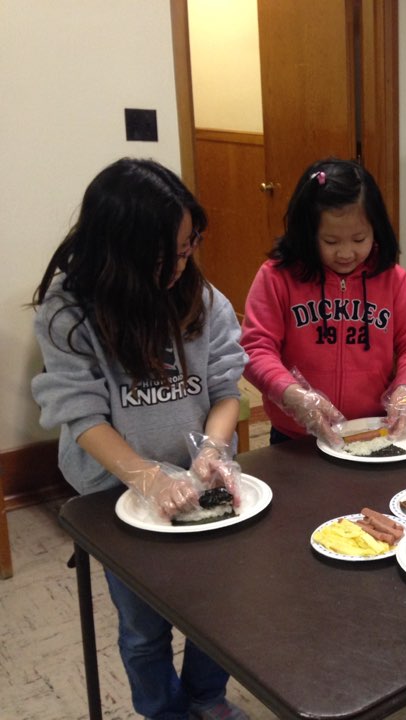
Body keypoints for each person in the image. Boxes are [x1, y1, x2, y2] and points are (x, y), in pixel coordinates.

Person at [31, 159, 249, 720]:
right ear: (120, 252)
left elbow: (227, 390)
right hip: (115, 493)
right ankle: (164, 713)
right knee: (143, 628)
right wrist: (148, 478)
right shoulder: (70, 311)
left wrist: (212, 449)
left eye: (188, 247)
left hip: (202, 482)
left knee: (217, 608)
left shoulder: (199, 297)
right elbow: (81, 416)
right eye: (167, 254)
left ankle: (205, 698)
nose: (182, 263)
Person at [241, 158, 406, 446]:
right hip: (295, 435)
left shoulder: (393, 280)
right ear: (307, 233)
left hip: (371, 430)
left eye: (359, 239)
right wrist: (290, 393)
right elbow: (255, 348)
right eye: (331, 242)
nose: (345, 253)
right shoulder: (276, 277)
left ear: (376, 229)